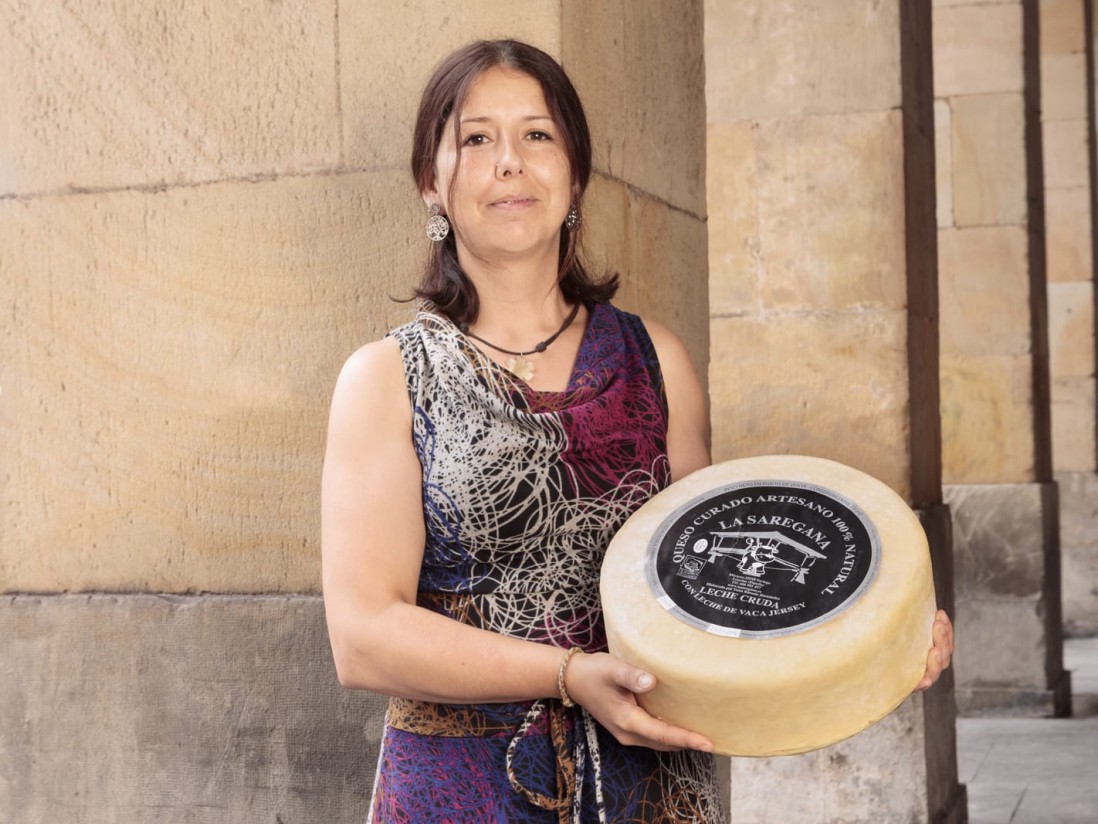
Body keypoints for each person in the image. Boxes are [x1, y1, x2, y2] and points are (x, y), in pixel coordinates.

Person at [321, 39, 954, 823]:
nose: (509, 162)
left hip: (649, 787)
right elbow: (362, 637)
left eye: (538, 135)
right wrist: (567, 673)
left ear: (575, 173)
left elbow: (715, 591)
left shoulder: (658, 359)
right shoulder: (385, 379)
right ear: (432, 180)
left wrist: (881, 637)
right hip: (461, 790)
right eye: (476, 138)